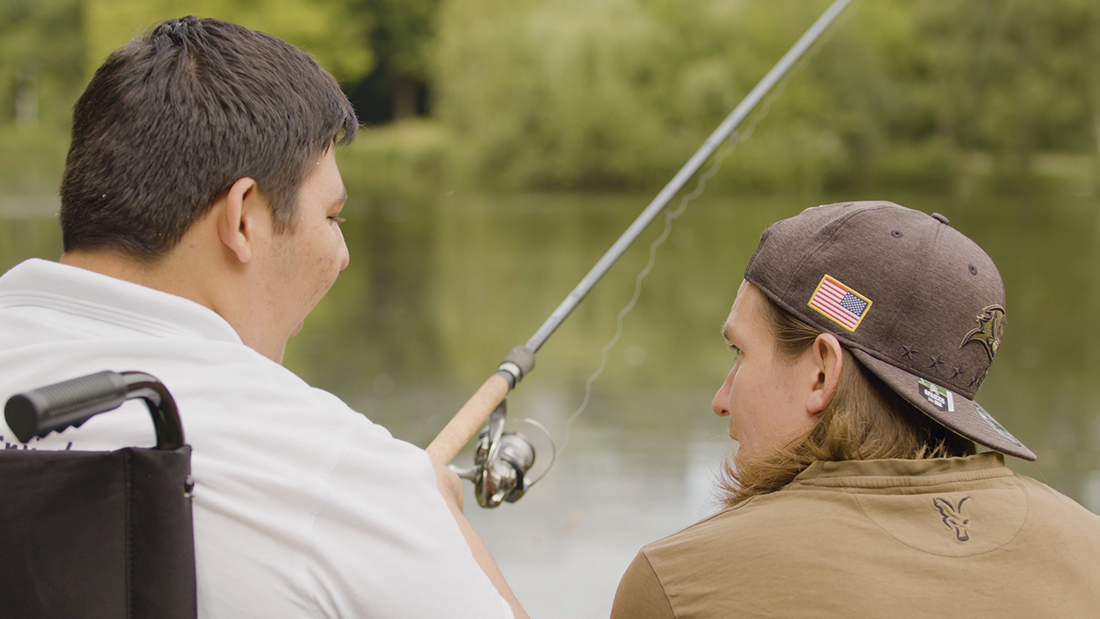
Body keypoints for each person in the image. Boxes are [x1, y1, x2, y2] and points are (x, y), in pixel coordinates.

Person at [0, 17, 528, 619]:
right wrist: (428, 514)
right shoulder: (340, 476)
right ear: (243, 219)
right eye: (332, 218)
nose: (343, 255)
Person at [610, 201, 1100, 618]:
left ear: (822, 372)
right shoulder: (1088, 547)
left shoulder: (683, 580)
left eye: (740, 353)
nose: (722, 400)